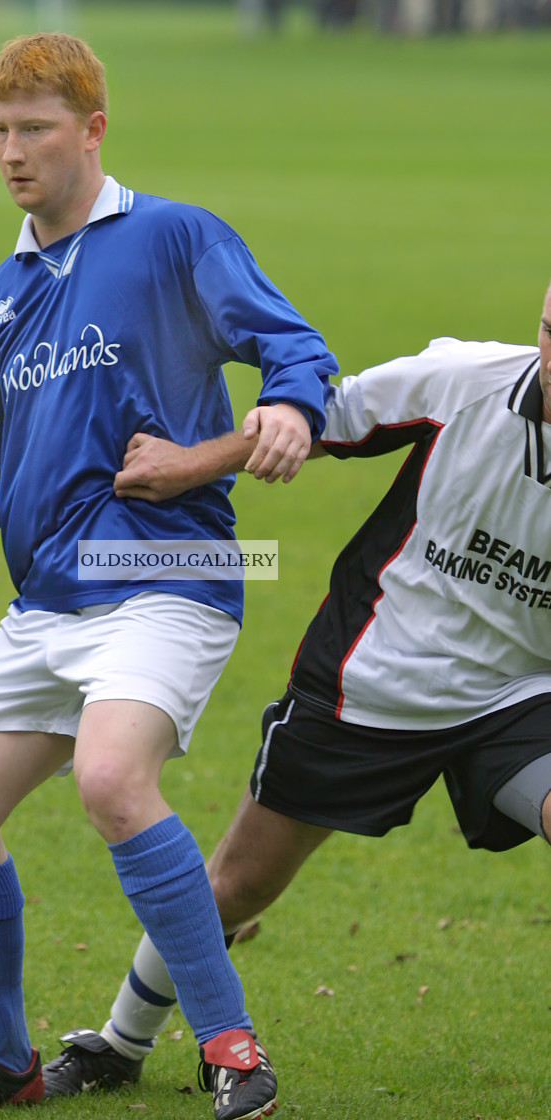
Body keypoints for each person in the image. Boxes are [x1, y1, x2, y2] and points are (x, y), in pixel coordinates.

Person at [0, 30, 337, 1119]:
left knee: (114, 780)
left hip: (166, 575)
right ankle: (1, 1057)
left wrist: (291, 404)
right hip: (47, 603)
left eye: (35, 129)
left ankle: (229, 1043)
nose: (12, 152)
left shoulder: (170, 238)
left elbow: (292, 343)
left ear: (92, 128)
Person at [41, 284, 551, 1100]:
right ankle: (118, 1044)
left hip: (521, 696)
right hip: (375, 680)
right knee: (237, 885)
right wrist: (186, 467)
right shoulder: (465, 381)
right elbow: (318, 422)